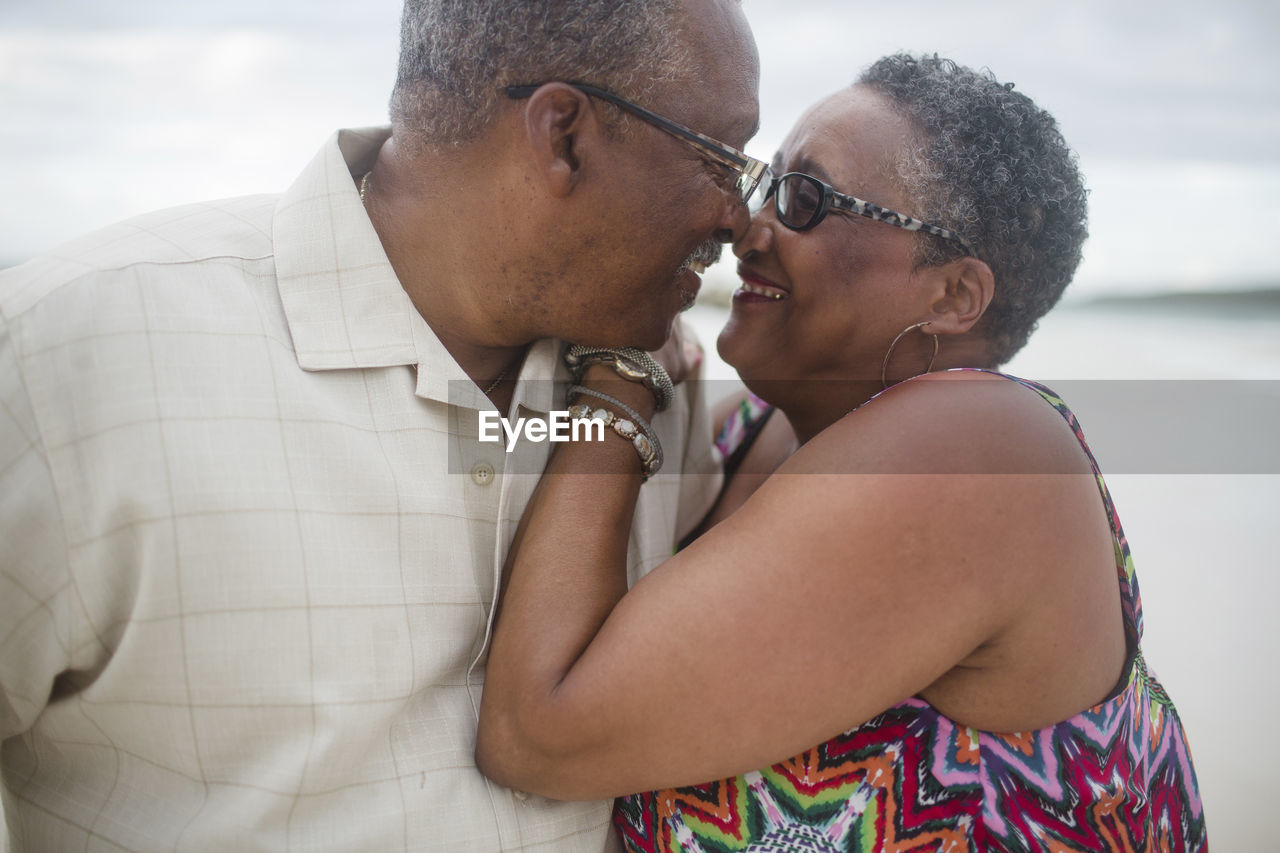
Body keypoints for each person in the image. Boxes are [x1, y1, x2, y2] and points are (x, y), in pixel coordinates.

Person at [0, 1, 765, 849]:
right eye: (723, 161)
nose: (742, 219)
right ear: (563, 137)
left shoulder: (658, 385)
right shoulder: (67, 364)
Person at [474, 54, 1209, 851]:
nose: (746, 228)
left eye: (806, 199)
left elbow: (538, 732)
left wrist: (621, 370)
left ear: (953, 295)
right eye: (767, 184)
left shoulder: (985, 451)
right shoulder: (747, 431)